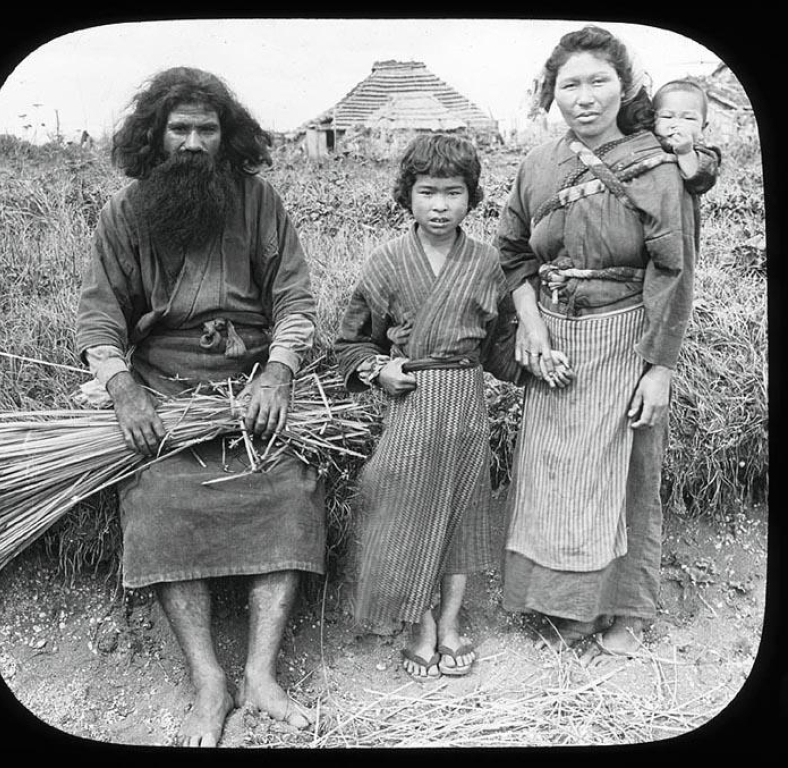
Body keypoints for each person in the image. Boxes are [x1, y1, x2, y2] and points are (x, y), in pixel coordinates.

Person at [75, 67, 325, 745]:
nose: (192, 142)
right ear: (154, 137)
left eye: (205, 129)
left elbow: (295, 305)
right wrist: (122, 388)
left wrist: (275, 374)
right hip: (163, 389)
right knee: (158, 496)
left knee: (288, 491)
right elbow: (100, 321)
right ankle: (209, 680)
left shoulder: (259, 202)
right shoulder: (124, 215)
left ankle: (262, 675)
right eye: (178, 128)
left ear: (226, 136)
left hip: (247, 389)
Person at [335, 133, 573, 681]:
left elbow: (497, 348)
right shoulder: (386, 263)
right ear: (406, 196)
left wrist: (535, 366)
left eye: (453, 193)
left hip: (466, 405)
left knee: (464, 518)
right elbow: (350, 343)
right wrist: (378, 370)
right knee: (406, 514)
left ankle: (450, 623)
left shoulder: (488, 263)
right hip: (411, 406)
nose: (439, 206)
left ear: (472, 198)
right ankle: (417, 624)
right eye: (426, 193)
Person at [495, 26, 697, 664]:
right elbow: (512, 252)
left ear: (626, 86)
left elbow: (674, 270)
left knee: (624, 473)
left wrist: (659, 368)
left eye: (598, 81)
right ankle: (561, 605)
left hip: (628, 335)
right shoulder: (537, 165)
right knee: (555, 475)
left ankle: (624, 614)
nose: (584, 98)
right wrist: (530, 322)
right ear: (551, 95)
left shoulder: (655, 167)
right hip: (554, 341)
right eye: (569, 85)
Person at [652, 79, 722, 245]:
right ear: (652, 120)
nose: (677, 124)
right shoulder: (646, 146)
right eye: (667, 116)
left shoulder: (704, 154)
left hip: (679, 228)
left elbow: (700, 181)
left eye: (689, 119)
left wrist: (685, 152)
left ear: (703, 128)